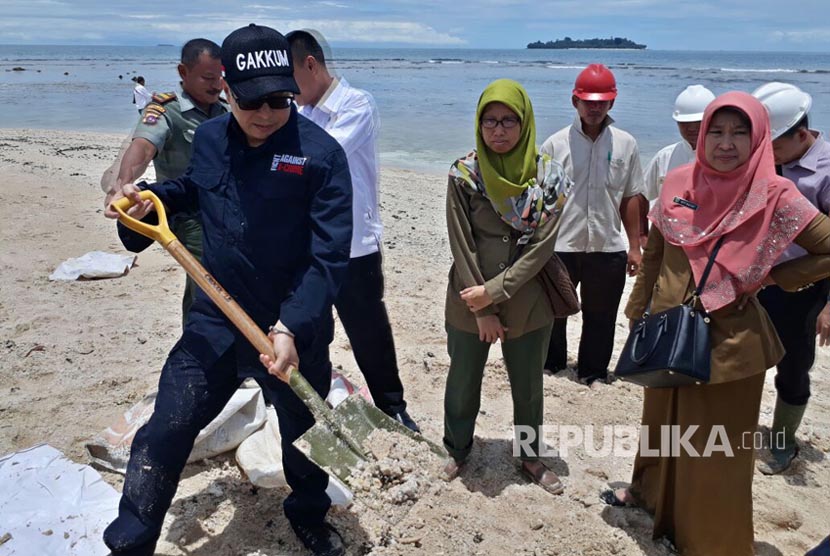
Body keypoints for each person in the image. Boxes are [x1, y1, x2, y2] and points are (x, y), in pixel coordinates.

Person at [102, 24, 352, 556]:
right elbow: (193, 190)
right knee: (166, 428)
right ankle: (130, 541)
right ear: (228, 92)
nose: (266, 114)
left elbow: (328, 256)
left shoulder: (321, 155)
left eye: (280, 99)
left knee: (304, 440)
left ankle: (308, 513)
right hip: (215, 315)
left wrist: (291, 326)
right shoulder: (212, 137)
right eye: (252, 101)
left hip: (292, 327)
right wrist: (149, 199)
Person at [606, 92, 830, 556]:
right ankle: (652, 503)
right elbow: (654, 255)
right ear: (702, 135)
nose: (726, 143)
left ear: (759, 138)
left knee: (715, 453)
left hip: (729, 345)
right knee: (662, 429)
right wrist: (636, 312)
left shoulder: (775, 194)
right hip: (668, 334)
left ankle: (710, 542)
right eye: (718, 131)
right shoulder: (678, 182)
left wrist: (775, 275)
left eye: (740, 131)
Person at [286, 29, 418, 432]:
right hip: (308, 243)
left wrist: (284, 161)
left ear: (310, 64)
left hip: (355, 243)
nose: (286, 90)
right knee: (312, 329)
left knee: (369, 332)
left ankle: (392, 407)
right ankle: (316, 408)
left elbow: (321, 159)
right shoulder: (298, 111)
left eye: (290, 78)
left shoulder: (356, 104)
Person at [443, 79, 571, 494]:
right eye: (490, 121)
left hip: (527, 300)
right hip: (467, 295)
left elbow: (540, 248)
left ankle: (530, 457)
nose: (498, 131)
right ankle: (457, 448)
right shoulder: (463, 173)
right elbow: (460, 243)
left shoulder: (550, 177)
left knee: (529, 385)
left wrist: (495, 293)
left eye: (509, 121)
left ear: (525, 123)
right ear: (479, 125)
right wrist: (480, 306)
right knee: (462, 380)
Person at [102, 38, 228, 326]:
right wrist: (122, 185)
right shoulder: (165, 110)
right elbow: (144, 146)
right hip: (187, 213)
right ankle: (199, 341)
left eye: (220, 77)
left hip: (224, 208)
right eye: (208, 78)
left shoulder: (224, 111)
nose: (217, 85)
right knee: (209, 271)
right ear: (183, 72)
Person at [539, 63, 645, 385]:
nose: (595, 107)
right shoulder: (554, 145)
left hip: (608, 246)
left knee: (601, 318)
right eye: (588, 101)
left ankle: (593, 372)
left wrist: (636, 247)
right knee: (553, 313)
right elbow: (542, 202)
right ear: (575, 102)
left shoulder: (626, 144)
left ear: (612, 102)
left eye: (602, 101)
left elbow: (632, 197)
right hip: (561, 246)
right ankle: (552, 365)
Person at [753, 82, 830, 474]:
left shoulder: (826, 172)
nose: (768, 153)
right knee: (746, 357)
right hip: (755, 282)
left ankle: (783, 445)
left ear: (802, 134)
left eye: (775, 145)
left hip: (804, 289)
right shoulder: (768, 160)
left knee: (794, 365)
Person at [640, 85, 715, 243]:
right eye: (685, 122)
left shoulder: (724, 160)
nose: (692, 128)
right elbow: (641, 194)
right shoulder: (665, 157)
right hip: (667, 241)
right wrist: (643, 234)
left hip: (708, 242)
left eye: (697, 122)